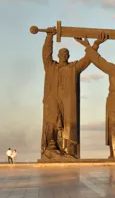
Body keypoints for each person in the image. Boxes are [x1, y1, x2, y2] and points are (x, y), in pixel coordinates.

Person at [40, 28, 104, 159]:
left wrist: (95, 45)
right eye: (62, 53)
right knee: (52, 122)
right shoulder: (51, 66)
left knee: (68, 126)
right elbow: (46, 53)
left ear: (68, 56)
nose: (64, 55)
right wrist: (49, 37)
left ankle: (68, 151)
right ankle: (51, 148)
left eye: (66, 53)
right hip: (52, 99)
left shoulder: (74, 68)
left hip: (68, 102)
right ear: (58, 55)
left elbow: (87, 59)